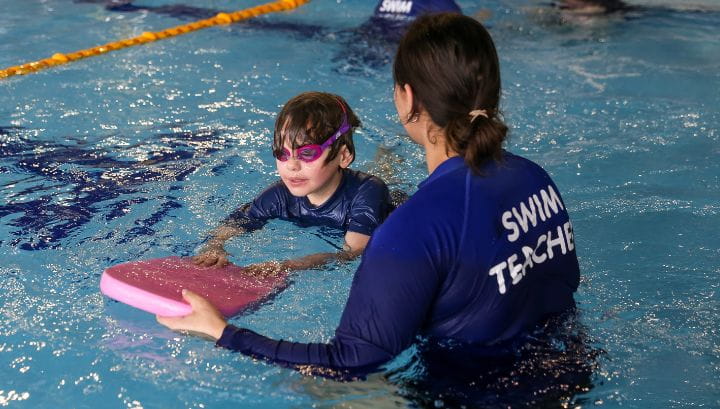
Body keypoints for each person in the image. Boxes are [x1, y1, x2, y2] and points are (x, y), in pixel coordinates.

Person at [158, 13, 581, 381]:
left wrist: (223, 333)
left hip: (472, 393)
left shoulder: (407, 230)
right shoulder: (532, 177)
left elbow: (349, 364)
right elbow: (564, 288)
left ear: (407, 98)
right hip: (572, 373)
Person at [192, 91, 393, 274]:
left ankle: (389, 154)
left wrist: (290, 266)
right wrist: (215, 246)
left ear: (343, 156)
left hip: (386, 202)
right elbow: (238, 222)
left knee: (387, 174)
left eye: (307, 153)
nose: (292, 166)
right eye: (282, 153)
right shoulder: (280, 195)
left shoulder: (368, 192)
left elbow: (352, 253)